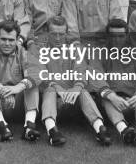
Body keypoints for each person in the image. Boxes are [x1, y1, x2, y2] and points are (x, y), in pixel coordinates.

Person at [34, 16, 112, 146]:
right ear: (47, 33)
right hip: (51, 97)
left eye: (61, 34)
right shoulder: (39, 50)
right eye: (54, 34)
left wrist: (76, 87)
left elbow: (80, 71)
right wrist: (58, 88)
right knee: (49, 90)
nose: (58, 38)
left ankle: (100, 129)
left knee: (83, 91)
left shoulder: (75, 50)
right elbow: (41, 75)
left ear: (66, 33)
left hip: (73, 97)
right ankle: (52, 131)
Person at [90, 19, 136, 145]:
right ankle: (124, 130)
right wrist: (112, 96)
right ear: (108, 36)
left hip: (134, 102)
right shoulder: (100, 53)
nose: (116, 40)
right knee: (106, 96)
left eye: (121, 36)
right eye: (113, 36)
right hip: (112, 104)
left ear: (127, 36)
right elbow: (95, 76)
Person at [0, 20, 41, 142]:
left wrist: (17, 88)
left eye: (11, 40)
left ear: (17, 40)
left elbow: (36, 72)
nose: (7, 43)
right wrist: (2, 89)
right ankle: (2, 127)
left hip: (16, 104)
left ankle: (29, 127)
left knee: (32, 83)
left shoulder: (23, 52)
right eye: (3, 39)